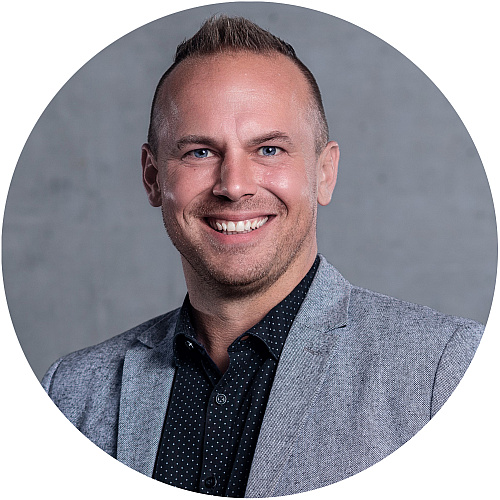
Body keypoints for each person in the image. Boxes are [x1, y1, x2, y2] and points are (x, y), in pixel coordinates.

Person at [42, 16, 483, 497]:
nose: (234, 186)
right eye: (199, 152)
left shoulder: (446, 372)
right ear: (152, 178)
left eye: (269, 149)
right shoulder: (69, 395)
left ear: (324, 173)